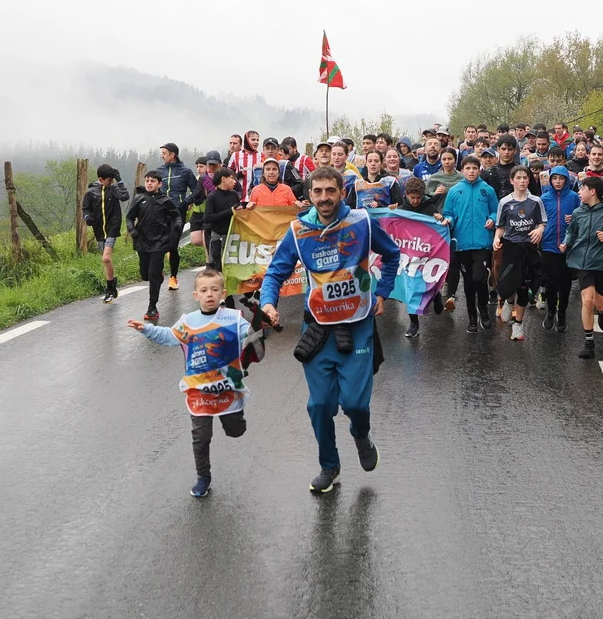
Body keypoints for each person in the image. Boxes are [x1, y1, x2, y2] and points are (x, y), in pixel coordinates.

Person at [260, 167, 402, 494]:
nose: (324, 198)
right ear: (310, 195)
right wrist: (268, 303)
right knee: (320, 405)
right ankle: (329, 465)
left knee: (355, 404)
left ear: (342, 192)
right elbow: (275, 273)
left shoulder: (362, 222)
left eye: (330, 191)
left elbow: (392, 254)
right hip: (318, 329)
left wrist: (382, 293)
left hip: (358, 324)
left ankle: (361, 434)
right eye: (318, 191)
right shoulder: (298, 231)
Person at [128, 269, 252, 498]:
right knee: (200, 438)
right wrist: (147, 329)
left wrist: (262, 325)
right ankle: (203, 477)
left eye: (214, 289)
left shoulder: (234, 319)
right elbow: (169, 336)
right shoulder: (189, 322)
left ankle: (236, 420)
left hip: (228, 390)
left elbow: (251, 336)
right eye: (204, 290)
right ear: (196, 295)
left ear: (223, 293)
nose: (209, 294)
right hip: (199, 393)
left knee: (236, 431)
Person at [559, 176, 603, 359]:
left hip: (601, 262)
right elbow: (571, 232)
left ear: (592, 191)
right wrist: (566, 243)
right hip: (582, 262)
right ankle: (589, 342)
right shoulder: (578, 212)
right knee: (587, 300)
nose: (579, 192)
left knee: (601, 305)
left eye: (582, 189)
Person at [442, 155, 499, 333]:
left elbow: (495, 211)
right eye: (468, 168)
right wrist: (448, 220)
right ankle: (472, 317)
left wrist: (492, 219)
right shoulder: (454, 191)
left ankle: (483, 309)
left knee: (478, 278)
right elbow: (448, 213)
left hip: (482, 242)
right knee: (468, 282)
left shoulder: (487, 190)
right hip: (462, 243)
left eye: (474, 168)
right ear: (462, 170)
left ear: (479, 170)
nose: (471, 171)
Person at [493, 166, 546, 341]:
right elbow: (500, 227)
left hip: (528, 248)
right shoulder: (505, 202)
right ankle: (509, 301)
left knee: (524, 286)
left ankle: (518, 324)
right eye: (519, 178)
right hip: (511, 247)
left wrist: (539, 230)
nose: (522, 181)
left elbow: (541, 223)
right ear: (512, 180)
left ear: (529, 180)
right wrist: (496, 238)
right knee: (508, 283)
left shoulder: (536, 201)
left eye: (525, 177)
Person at [126, 170, 183, 321]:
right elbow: (129, 218)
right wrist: (132, 230)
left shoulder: (165, 200)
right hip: (142, 241)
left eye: (152, 181)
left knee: (153, 275)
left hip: (160, 242)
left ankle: (152, 307)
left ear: (159, 184)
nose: (149, 183)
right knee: (145, 275)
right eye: (147, 181)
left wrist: (177, 227)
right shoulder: (139, 199)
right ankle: (158, 275)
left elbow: (176, 216)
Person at [395, 177, 446, 337]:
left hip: (426, 252)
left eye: (418, 198)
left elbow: (439, 229)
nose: (416, 201)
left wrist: (439, 219)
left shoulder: (430, 208)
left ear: (423, 195)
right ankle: (413, 323)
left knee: (428, 281)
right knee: (411, 288)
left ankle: (436, 295)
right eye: (412, 198)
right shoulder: (402, 210)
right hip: (409, 254)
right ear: (406, 195)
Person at [82, 163, 129, 303]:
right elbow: (85, 208)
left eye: (113, 180)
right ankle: (112, 285)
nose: (111, 182)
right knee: (106, 260)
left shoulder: (114, 189)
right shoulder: (91, 192)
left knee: (106, 259)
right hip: (99, 230)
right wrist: (87, 217)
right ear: (101, 179)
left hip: (112, 228)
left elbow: (125, 196)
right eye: (109, 180)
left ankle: (109, 289)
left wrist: (119, 180)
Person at [540, 166, 579, 331]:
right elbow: (538, 220)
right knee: (551, 282)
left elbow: (581, 217)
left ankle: (562, 313)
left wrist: (574, 219)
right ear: (550, 180)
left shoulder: (574, 197)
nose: (558, 182)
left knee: (565, 283)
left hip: (567, 246)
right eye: (555, 178)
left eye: (561, 178)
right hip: (548, 245)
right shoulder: (543, 198)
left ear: (566, 180)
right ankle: (550, 311)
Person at [157, 142, 197, 291]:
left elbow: (197, 190)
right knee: (159, 244)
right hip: (160, 213)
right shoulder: (159, 170)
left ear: (172, 154)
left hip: (177, 213)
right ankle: (159, 271)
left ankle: (173, 277)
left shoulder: (185, 171)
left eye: (164, 153)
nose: (162, 156)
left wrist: (186, 202)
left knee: (172, 246)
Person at [203, 167, 240, 272]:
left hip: (233, 236)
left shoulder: (234, 194)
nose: (234, 182)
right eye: (232, 178)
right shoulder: (212, 196)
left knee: (233, 266)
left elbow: (237, 213)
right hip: (217, 236)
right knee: (218, 264)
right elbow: (207, 218)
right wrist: (230, 211)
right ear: (223, 179)